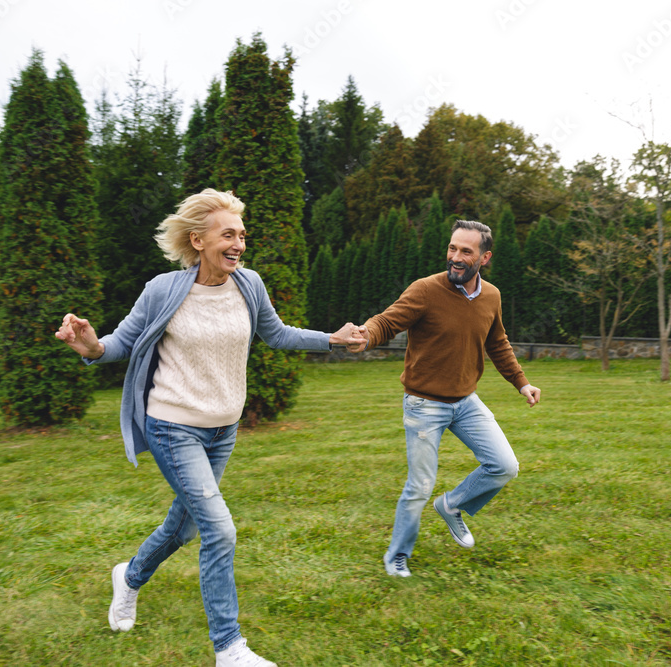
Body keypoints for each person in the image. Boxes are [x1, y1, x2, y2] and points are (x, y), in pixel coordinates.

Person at [55, 189, 366, 667]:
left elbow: (276, 333)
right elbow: (120, 343)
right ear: (198, 240)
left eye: (242, 234)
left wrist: (332, 339)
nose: (239, 243)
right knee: (219, 530)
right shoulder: (163, 289)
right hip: (172, 426)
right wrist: (92, 347)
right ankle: (230, 648)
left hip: (224, 429)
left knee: (182, 528)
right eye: (229, 234)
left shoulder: (249, 284)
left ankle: (129, 577)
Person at [359, 219, 542, 578]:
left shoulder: (491, 296)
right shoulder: (426, 290)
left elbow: (496, 342)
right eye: (452, 249)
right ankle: (398, 555)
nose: (455, 257)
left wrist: (521, 382)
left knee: (505, 465)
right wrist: (364, 335)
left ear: (484, 257)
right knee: (420, 485)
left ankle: (452, 505)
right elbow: (388, 322)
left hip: (466, 400)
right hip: (424, 404)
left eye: (466, 252)